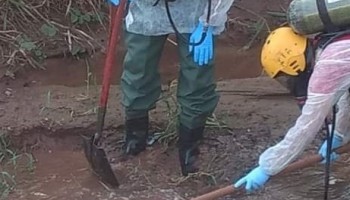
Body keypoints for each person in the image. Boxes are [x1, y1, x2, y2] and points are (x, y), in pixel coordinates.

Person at [107, 0, 235, 176]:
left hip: (196, 10)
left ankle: (190, 147)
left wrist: (209, 22)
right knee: (139, 68)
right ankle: (135, 140)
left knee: (197, 76)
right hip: (146, 8)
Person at [233, 26, 350, 192]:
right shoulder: (332, 47)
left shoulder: (328, 66)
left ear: (292, 63)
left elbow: (306, 127)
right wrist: (338, 134)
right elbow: (348, 95)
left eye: (286, 76)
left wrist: (267, 167)